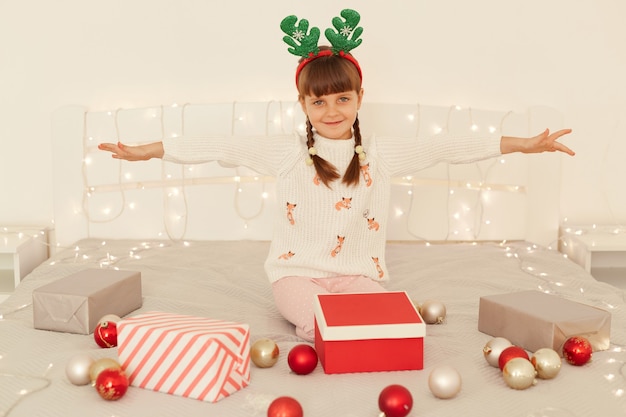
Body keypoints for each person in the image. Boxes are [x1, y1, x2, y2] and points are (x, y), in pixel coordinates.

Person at [98, 9, 574, 342]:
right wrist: (146, 151)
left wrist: (523, 144)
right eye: (318, 101)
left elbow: (445, 147)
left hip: (357, 276)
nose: (331, 110)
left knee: (384, 319)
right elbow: (217, 144)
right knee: (322, 324)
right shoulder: (287, 154)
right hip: (295, 276)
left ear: (359, 99)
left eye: (342, 98)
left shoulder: (378, 157)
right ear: (303, 105)